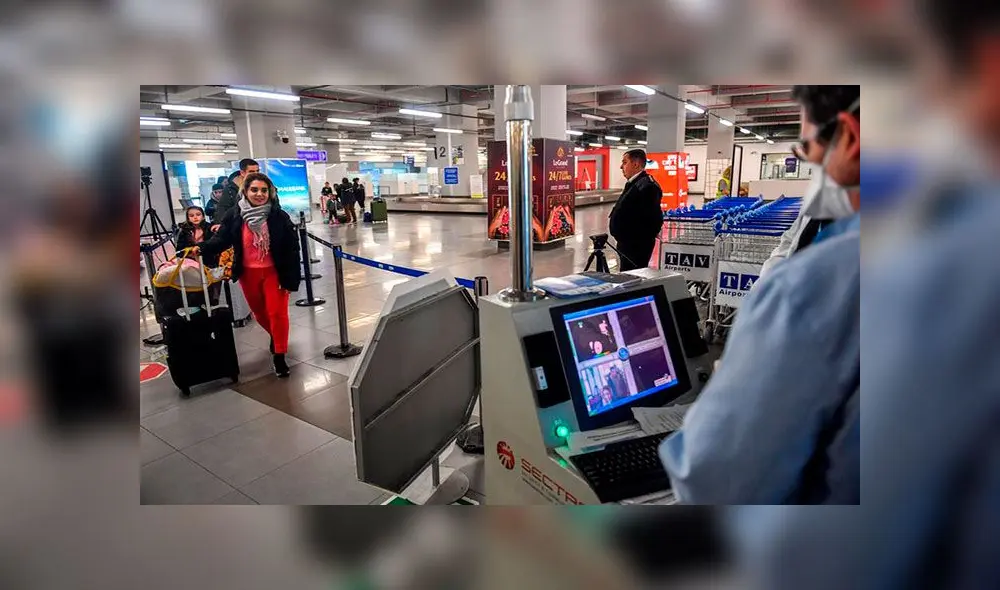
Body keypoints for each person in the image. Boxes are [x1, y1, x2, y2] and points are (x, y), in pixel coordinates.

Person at [659, 85, 860, 504]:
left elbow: (712, 476)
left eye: (807, 150)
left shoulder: (817, 290)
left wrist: (733, 381)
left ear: (850, 140)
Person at [193, 172, 301, 378]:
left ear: (270, 192)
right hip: (247, 274)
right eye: (254, 190)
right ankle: (276, 337)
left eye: (264, 190)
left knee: (277, 314)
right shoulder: (235, 215)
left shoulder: (279, 216)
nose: (259, 194)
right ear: (245, 191)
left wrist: (292, 278)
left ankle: (279, 355)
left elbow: (292, 248)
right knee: (260, 314)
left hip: (274, 273)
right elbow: (222, 239)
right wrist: (202, 248)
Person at [760, 86, 861, 276]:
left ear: (850, 138)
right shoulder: (823, 203)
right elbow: (789, 242)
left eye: (806, 146)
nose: (808, 158)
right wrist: (767, 285)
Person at [609, 149, 663, 271]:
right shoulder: (635, 183)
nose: (621, 166)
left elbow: (652, 219)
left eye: (624, 162)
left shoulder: (647, 186)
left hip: (636, 248)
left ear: (636, 164)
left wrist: (633, 241)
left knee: (633, 279)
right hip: (627, 246)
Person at [215, 158, 259, 225]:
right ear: (242, 173)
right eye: (251, 172)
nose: (256, 174)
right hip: (238, 226)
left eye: (257, 171)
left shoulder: (265, 187)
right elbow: (222, 211)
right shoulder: (230, 190)